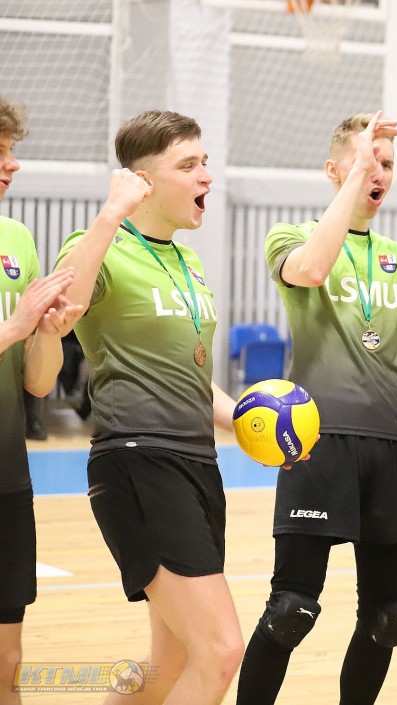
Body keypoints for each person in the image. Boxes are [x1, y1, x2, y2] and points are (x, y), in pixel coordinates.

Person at [235, 111, 397, 705]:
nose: (379, 173)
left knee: (388, 615)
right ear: (334, 169)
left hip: (392, 442)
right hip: (318, 443)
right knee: (291, 609)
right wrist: (356, 175)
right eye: (367, 161)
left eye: (387, 164)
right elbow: (311, 269)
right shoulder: (290, 237)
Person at [54, 110, 244, 704]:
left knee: (171, 663)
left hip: (198, 462)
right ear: (141, 181)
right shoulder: (98, 246)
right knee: (220, 651)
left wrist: (250, 421)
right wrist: (109, 216)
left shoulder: (188, 262)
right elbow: (63, 308)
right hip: (139, 460)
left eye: (205, 162)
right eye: (188, 166)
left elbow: (193, 376)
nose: (206, 176)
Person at [0, 97, 83, 705]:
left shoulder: (16, 238)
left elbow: (36, 382)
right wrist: (15, 324)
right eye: (0, 153)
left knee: (8, 659)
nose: (13, 164)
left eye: (11, 151)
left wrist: (49, 334)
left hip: (6, 472)